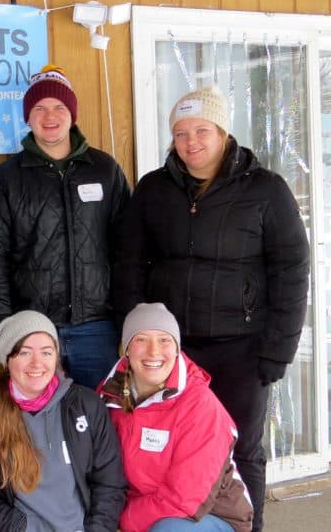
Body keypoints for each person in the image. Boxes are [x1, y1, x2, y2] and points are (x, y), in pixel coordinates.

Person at [112, 85, 310, 532]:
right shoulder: (153, 190)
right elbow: (128, 264)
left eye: (202, 130)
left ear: (223, 132)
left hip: (243, 348)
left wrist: (277, 351)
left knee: (241, 449)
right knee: (166, 451)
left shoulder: (266, 190)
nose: (191, 142)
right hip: (171, 352)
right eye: (180, 133)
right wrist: (132, 340)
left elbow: (292, 271)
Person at [0, 64, 130, 390]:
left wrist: (127, 316)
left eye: (59, 107)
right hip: (32, 327)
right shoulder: (8, 178)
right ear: (27, 117)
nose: (50, 116)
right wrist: (3, 325)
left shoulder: (104, 170)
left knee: (99, 420)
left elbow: (129, 248)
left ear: (72, 115)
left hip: (97, 328)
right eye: (39, 108)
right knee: (37, 424)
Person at [0, 310, 126, 532]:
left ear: (56, 357)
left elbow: (110, 484)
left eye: (46, 352)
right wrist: (23, 527)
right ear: (7, 359)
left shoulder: (86, 405)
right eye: (25, 353)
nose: (37, 363)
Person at [97, 303, 253, 532]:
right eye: (141, 339)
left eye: (164, 340)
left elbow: (185, 499)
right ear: (126, 348)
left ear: (177, 348)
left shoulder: (200, 406)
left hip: (210, 515)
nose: (153, 351)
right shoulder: (108, 395)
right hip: (137, 511)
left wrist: (120, 522)